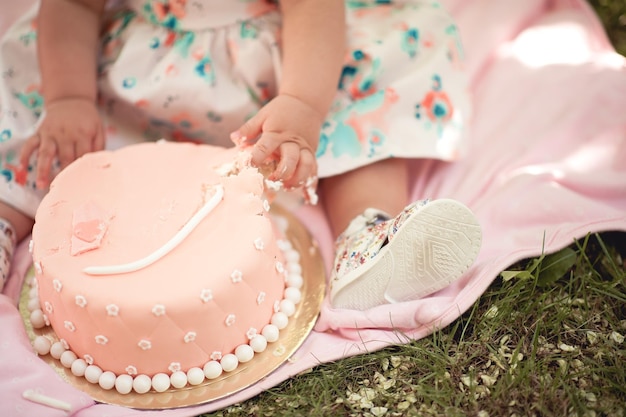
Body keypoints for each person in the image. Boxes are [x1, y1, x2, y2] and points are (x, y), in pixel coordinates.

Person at [0, 0, 481, 309]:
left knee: (361, 92)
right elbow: (73, 7)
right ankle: (6, 214)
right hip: (132, 76)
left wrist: (304, 104)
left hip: (282, 76)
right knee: (34, 101)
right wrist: (70, 98)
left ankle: (366, 236)